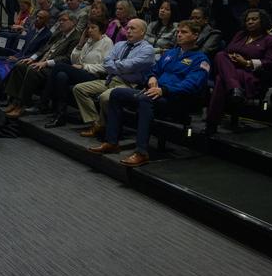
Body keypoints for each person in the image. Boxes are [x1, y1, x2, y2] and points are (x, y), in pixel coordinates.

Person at [92, 20, 210, 166]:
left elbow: (192, 85)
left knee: (145, 99)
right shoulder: (171, 53)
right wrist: (152, 77)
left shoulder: (201, 59)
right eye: (178, 31)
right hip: (155, 93)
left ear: (195, 35)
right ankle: (112, 142)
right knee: (116, 93)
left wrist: (164, 90)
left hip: (176, 99)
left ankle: (141, 152)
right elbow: (153, 70)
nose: (179, 35)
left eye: (184, 32)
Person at [204, 9, 272, 134]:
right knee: (220, 55)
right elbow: (228, 50)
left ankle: (211, 124)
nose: (250, 22)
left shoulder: (271, 40)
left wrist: (247, 63)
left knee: (219, 80)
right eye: (247, 20)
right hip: (231, 69)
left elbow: (271, 62)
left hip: (251, 74)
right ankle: (234, 88)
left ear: (263, 21)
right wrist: (233, 58)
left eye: (254, 19)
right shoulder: (240, 35)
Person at [72, 19, 154, 134]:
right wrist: (121, 67)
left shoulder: (147, 49)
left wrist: (116, 65)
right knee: (79, 89)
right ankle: (96, 123)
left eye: (133, 28)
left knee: (105, 97)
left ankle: (111, 128)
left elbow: (130, 65)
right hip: (110, 80)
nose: (128, 31)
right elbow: (107, 62)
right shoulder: (120, 44)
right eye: (128, 28)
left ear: (142, 32)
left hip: (129, 85)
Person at [1, 12, 79, 119]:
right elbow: (44, 48)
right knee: (20, 65)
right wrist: (31, 58)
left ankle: (23, 104)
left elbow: (67, 58)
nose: (60, 23)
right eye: (59, 20)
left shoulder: (76, 37)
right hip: (41, 61)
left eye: (64, 20)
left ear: (73, 22)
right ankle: (14, 101)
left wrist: (46, 63)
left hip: (54, 67)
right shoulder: (59, 33)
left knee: (32, 70)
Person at [36, 20, 114, 124]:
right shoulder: (89, 41)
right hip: (81, 73)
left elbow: (105, 67)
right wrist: (80, 44)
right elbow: (74, 60)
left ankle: (44, 102)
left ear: (101, 29)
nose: (89, 30)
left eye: (93, 27)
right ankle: (60, 115)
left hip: (96, 76)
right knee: (61, 76)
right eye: (88, 28)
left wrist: (84, 66)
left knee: (59, 67)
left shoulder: (107, 42)